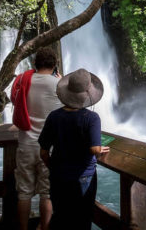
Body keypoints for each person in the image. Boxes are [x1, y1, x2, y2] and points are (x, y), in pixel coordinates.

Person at [38, 68, 110, 230]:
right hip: (83, 178)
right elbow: (94, 149)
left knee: (61, 218)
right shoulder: (91, 118)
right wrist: (100, 149)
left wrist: (55, 168)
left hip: (58, 177)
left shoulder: (54, 116)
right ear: (88, 94)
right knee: (82, 221)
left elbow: (43, 152)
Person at [11, 47, 62, 230]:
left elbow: (15, 101)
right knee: (46, 193)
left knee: (24, 192)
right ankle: (44, 227)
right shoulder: (58, 85)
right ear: (55, 64)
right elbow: (71, 107)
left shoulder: (24, 81)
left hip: (25, 142)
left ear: (35, 63)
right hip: (48, 148)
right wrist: (61, 81)